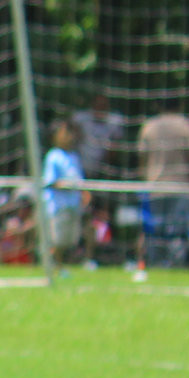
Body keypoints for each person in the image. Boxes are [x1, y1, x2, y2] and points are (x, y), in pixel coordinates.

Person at [138, 107, 189, 267]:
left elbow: (142, 158)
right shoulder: (185, 125)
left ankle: (155, 267)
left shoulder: (149, 125)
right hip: (180, 187)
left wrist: (144, 182)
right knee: (178, 233)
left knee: (155, 233)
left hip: (155, 187)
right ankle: (176, 267)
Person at [41, 118, 88, 266]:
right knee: (56, 240)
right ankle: (51, 266)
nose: (68, 136)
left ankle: (62, 267)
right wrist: (65, 185)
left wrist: (84, 193)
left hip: (73, 205)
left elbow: (79, 180)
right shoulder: (53, 156)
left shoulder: (74, 156)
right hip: (58, 206)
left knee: (70, 240)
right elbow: (50, 181)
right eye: (64, 133)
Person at [72, 91, 125, 180]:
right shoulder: (81, 119)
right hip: (82, 164)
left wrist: (105, 164)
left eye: (103, 106)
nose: (100, 108)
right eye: (98, 105)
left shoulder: (114, 121)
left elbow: (115, 146)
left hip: (104, 167)